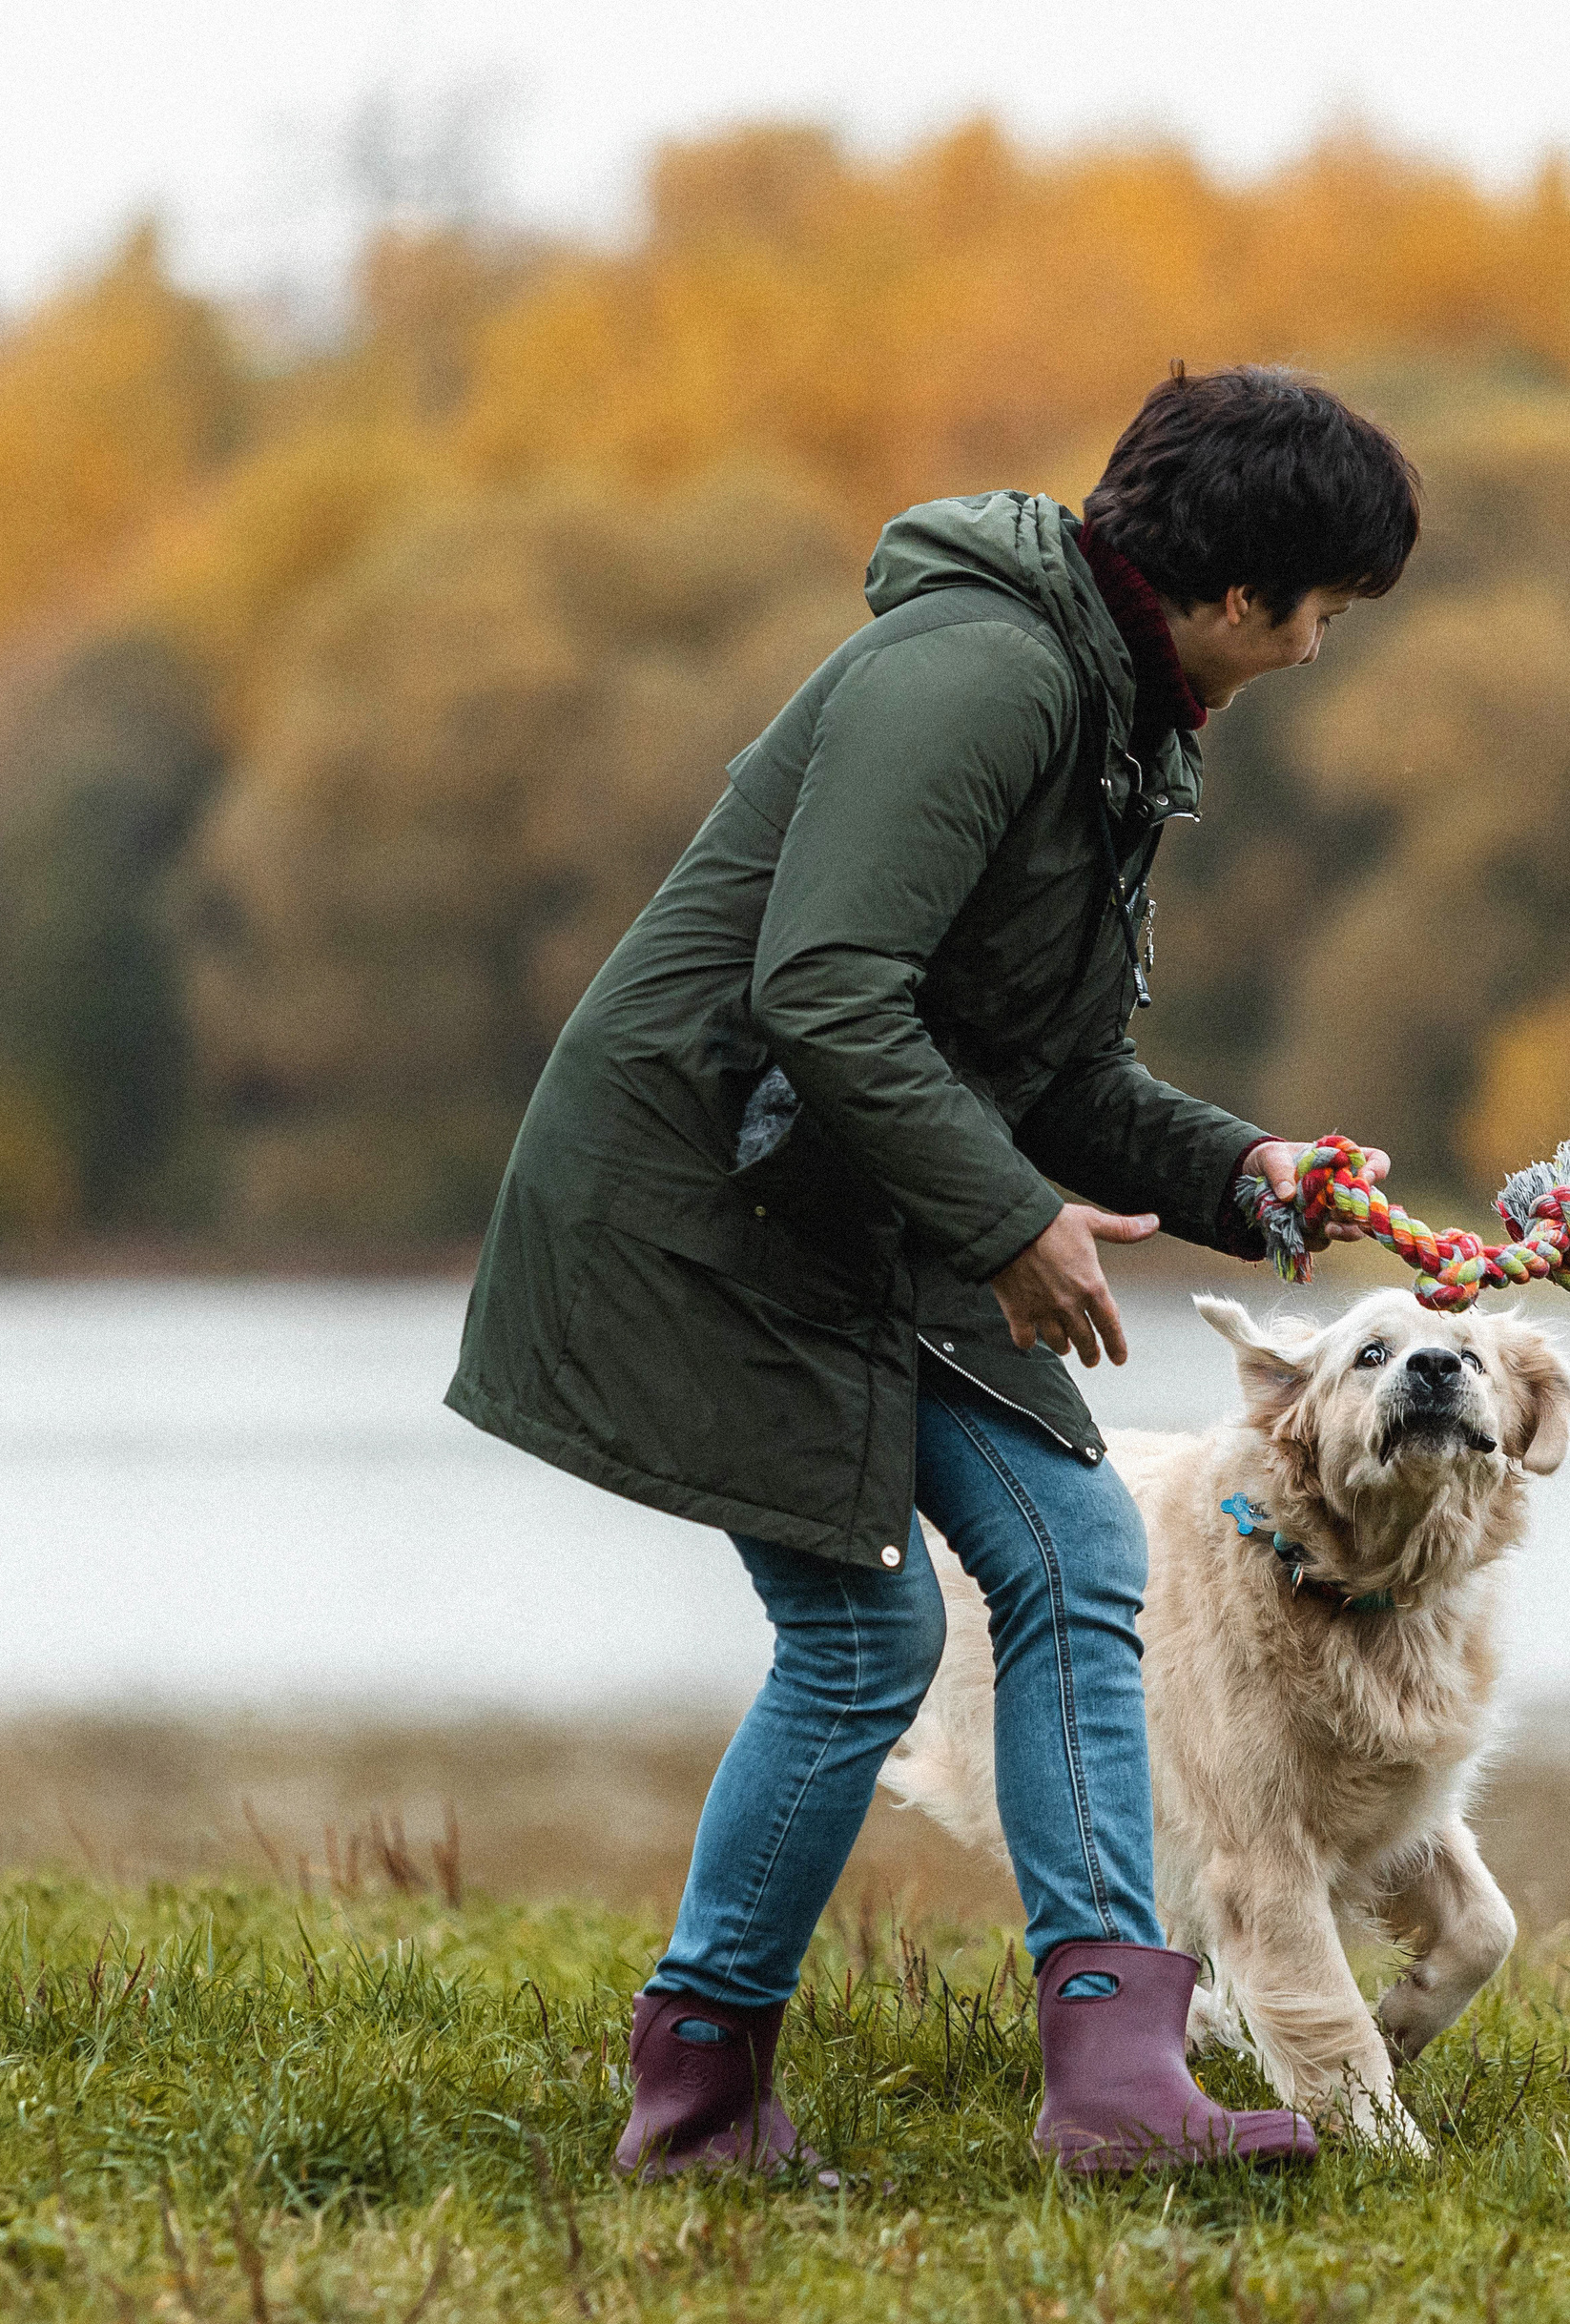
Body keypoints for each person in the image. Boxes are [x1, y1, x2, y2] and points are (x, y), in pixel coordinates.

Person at [445, 363, 1420, 2174]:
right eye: (1323, 612)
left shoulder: (1116, 716)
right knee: (864, 1634)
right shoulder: (979, 678)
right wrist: (1008, 1223)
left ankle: (1118, 2080)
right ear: (1234, 593)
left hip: (864, 1196)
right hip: (710, 1207)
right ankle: (700, 2096)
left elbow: (1038, 1070)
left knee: (1076, 1550)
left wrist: (1248, 1173)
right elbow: (821, 990)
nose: (1317, 650)